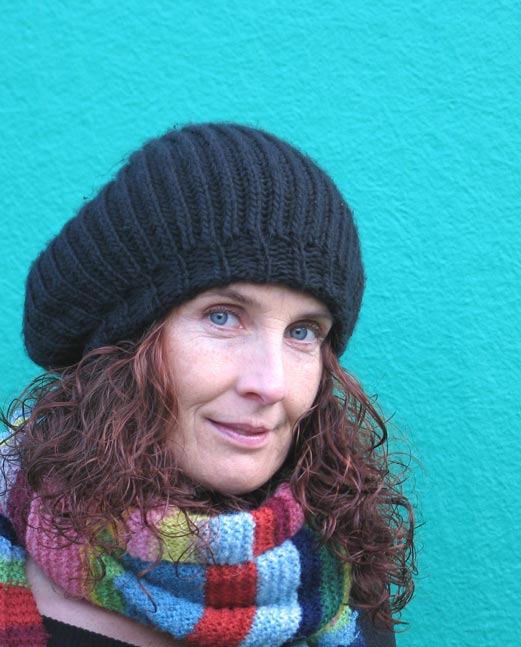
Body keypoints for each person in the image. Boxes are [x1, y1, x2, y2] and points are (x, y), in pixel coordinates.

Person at [0, 123, 415, 647]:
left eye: (303, 331)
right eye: (223, 316)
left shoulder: (335, 572)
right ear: (123, 344)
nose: (271, 384)